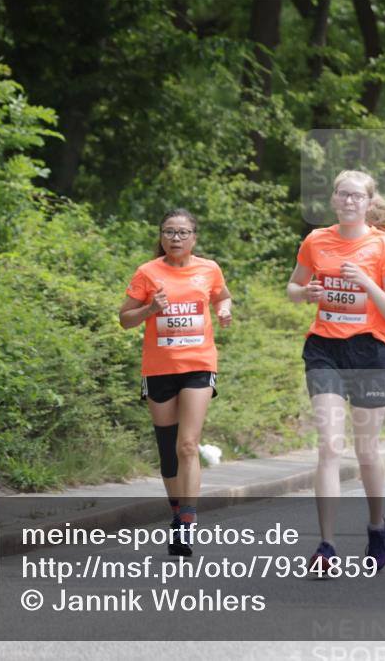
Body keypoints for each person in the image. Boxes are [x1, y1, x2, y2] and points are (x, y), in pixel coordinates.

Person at [287, 169, 385, 575]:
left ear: (369, 202)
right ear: (334, 199)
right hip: (324, 349)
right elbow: (293, 287)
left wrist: (366, 284)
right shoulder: (316, 240)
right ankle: (326, 545)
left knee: (367, 451)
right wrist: (307, 293)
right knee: (328, 446)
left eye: (357, 196)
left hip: (370, 352)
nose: (349, 201)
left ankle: (377, 526)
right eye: (343, 194)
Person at [119, 208, 232, 556]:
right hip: (159, 368)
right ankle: (175, 512)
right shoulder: (147, 272)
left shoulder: (208, 269)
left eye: (183, 233)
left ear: (194, 237)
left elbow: (222, 295)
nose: (176, 238)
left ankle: (187, 521)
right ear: (161, 237)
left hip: (198, 364)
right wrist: (150, 308)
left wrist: (224, 309)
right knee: (168, 448)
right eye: (169, 232)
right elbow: (125, 319)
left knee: (188, 444)